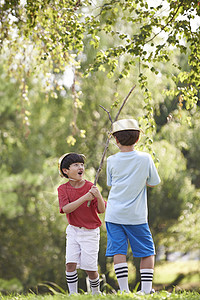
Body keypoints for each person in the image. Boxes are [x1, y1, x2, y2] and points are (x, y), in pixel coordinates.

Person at [105, 119, 161, 294]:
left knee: (118, 250)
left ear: (116, 140)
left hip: (113, 214)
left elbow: (111, 183)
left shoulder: (111, 160)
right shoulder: (145, 158)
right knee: (147, 251)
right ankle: (145, 290)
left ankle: (124, 291)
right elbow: (153, 182)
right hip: (136, 215)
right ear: (137, 139)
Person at [57, 152, 106, 295]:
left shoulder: (91, 187)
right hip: (73, 230)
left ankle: (96, 293)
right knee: (70, 263)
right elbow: (66, 209)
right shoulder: (63, 189)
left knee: (90, 268)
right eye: (76, 165)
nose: (81, 167)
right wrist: (85, 198)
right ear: (66, 171)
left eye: (82, 165)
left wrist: (98, 196)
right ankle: (73, 294)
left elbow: (101, 210)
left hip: (90, 232)